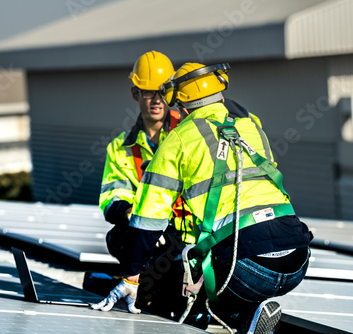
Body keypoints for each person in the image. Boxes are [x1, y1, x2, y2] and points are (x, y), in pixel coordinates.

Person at [92, 62, 312, 334]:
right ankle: (250, 312)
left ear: (181, 106)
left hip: (248, 264)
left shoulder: (178, 140)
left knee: (200, 272)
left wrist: (132, 278)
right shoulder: (250, 126)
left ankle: (244, 315)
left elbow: (148, 221)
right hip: (297, 255)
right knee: (203, 254)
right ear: (221, 95)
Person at [95, 50, 196, 321]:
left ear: (172, 93)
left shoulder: (191, 132)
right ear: (135, 93)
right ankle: (149, 297)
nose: (156, 100)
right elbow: (113, 196)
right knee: (119, 237)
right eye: (148, 92)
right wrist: (132, 215)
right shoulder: (120, 148)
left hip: (194, 235)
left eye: (163, 91)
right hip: (151, 236)